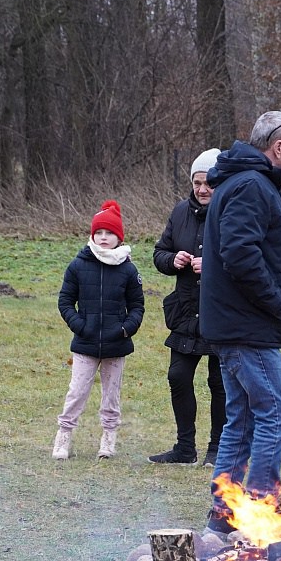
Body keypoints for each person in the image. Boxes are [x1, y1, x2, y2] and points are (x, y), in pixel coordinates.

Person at [199, 111, 281, 534]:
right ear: (277, 148)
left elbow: (251, 250)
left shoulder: (246, 183)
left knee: (243, 417)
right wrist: (276, 300)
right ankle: (260, 508)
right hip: (246, 325)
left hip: (238, 323)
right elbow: (238, 254)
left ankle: (224, 514)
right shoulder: (252, 186)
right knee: (275, 411)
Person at [148, 148, 226, 466]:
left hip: (220, 310)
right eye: (197, 182)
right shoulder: (180, 212)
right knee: (178, 376)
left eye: (208, 183)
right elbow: (159, 252)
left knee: (219, 382)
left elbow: (243, 261)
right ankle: (184, 448)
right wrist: (172, 259)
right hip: (184, 309)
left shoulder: (230, 213)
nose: (203, 189)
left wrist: (212, 266)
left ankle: (217, 449)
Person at [53, 200, 145, 460]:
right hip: (86, 343)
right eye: (99, 233)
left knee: (111, 395)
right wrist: (80, 326)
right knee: (77, 391)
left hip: (116, 344)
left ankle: (108, 438)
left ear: (119, 237)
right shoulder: (78, 266)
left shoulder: (128, 269)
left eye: (110, 233)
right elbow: (65, 301)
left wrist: (126, 329)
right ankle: (63, 436)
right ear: (93, 236)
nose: (104, 238)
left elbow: (137, 306)